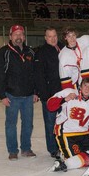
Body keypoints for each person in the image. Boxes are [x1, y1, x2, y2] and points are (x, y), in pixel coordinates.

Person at [0, 25, 38, 160]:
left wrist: (35, 92)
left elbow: (34, 75)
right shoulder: (3, 52)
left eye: (21, 34)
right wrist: (2, 95)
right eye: (16, 34)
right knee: (11, 124)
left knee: (28, 124)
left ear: (24, 37)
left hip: (28, 96)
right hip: (11, 95)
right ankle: (13, 150)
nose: (18, 37)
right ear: (10, 36)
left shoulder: (30, 52)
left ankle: (26, 149)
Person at [48, 77, 89, 172]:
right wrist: (64, 99)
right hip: (66, 132)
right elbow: (50, 106)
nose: (87, 89)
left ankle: (64, 155)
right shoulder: (69, 92)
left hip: (84, 133)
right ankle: (63, 157)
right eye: (85, 86)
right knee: (77, 159)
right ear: (80, 87)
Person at [34, 27, 64, 157]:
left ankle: (62, 145)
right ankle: (53, 149)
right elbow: (38, 75)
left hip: (64, 93)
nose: (53, 39)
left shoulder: (63, 47)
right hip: (50, 94)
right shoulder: (41, 52)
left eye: (55, 36)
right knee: (50, 123)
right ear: (45, 38)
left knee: (63, 121)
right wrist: (44, 95)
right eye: (50, 36)